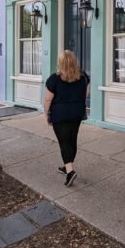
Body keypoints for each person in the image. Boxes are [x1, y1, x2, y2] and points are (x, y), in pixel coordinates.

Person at [44, 50, 90, 187]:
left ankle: (70, 172)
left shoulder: (54, 79)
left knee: (64, 141)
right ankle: (67, 166)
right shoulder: (83, 77)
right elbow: (85, 93)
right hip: (77, 113)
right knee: (72, 139)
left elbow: (47, 99)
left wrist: (46, 114)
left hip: (60, 114)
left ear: (60, 63)